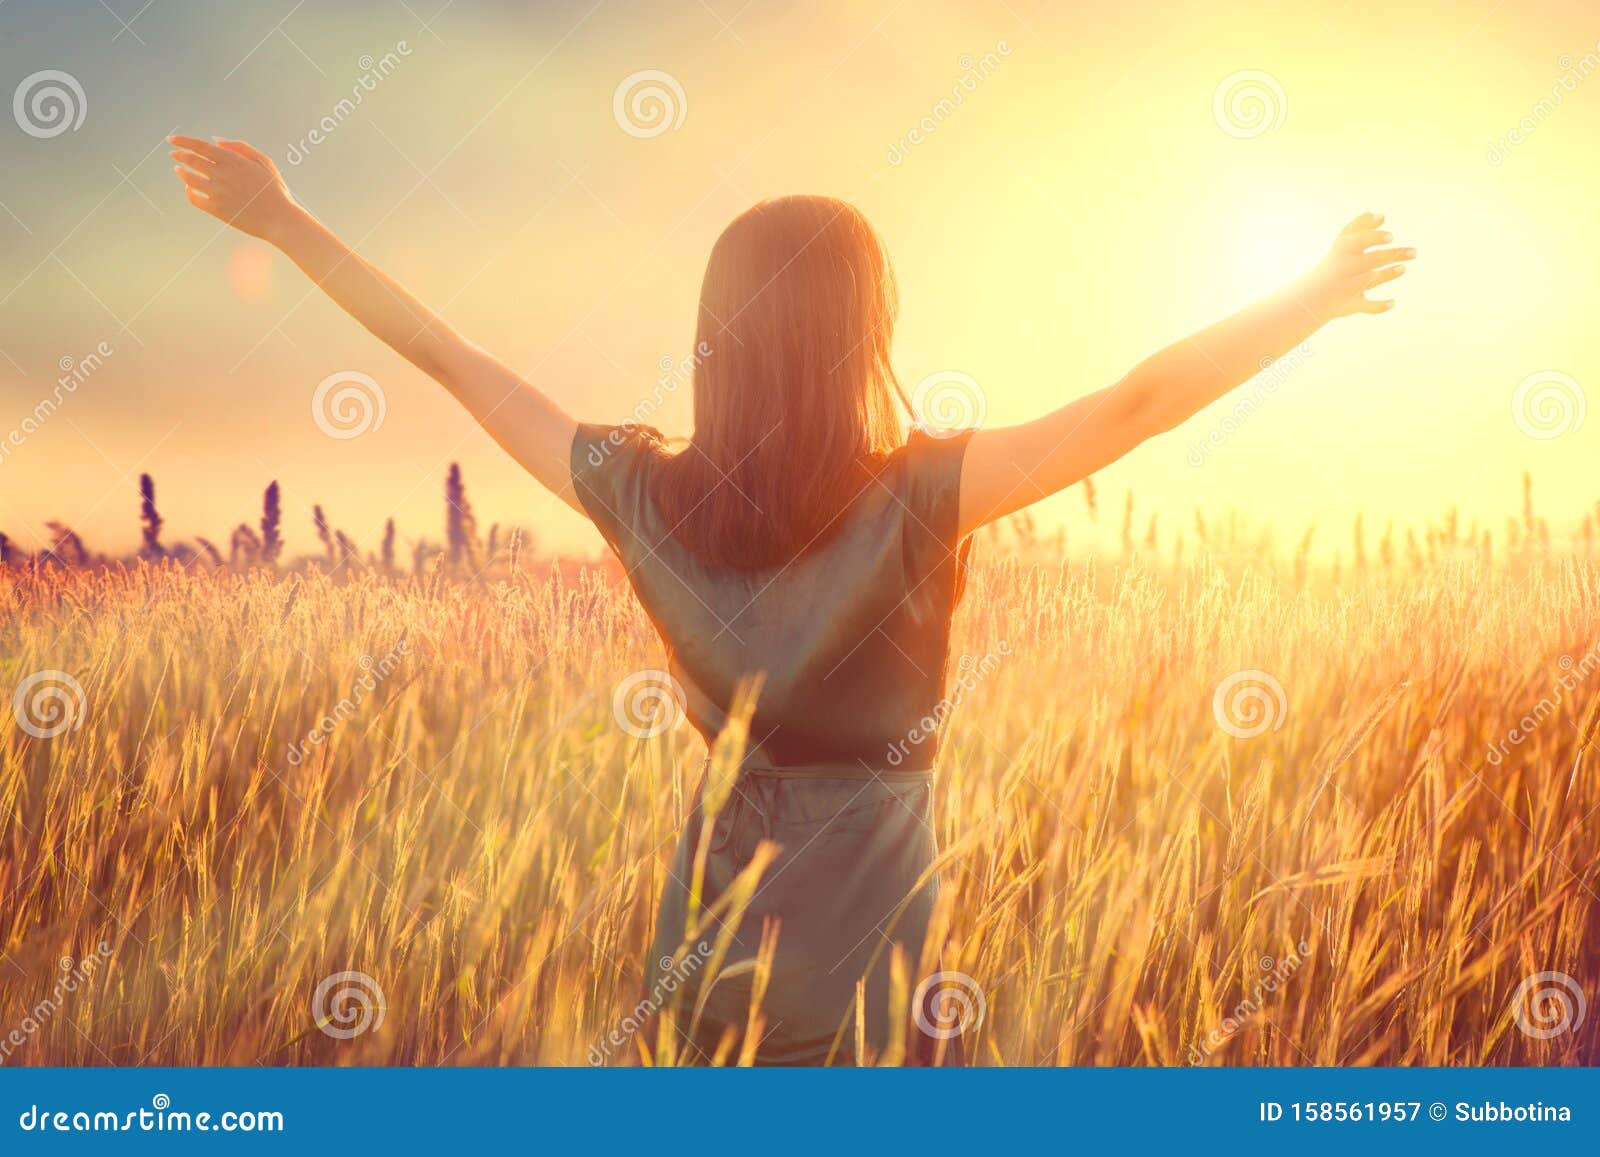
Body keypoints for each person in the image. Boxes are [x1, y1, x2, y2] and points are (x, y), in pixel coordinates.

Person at [169, 134, 1414, 1064]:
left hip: (695, 961)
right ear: (861, 329)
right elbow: (1135, 406)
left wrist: (283, 221)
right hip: (866, 985)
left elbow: (450, 359)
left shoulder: (639, 491)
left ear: (717, 332)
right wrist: (1302, 299)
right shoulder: (925, 495)